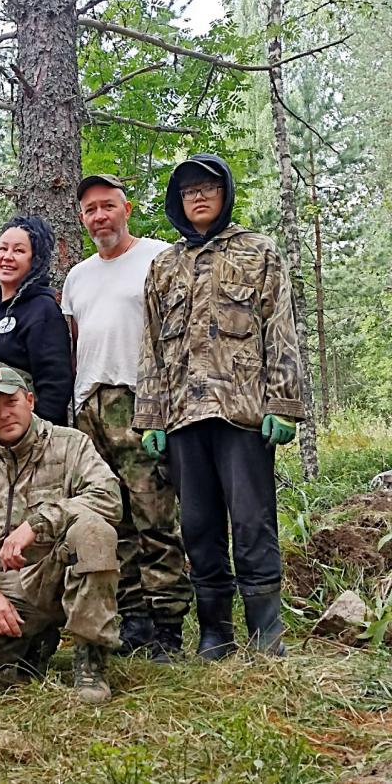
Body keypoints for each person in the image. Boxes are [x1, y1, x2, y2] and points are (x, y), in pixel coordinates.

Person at [133, 153, 304, 658]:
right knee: (198, 527)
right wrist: (151, 416)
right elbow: (151, 347)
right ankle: (215, 632)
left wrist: (284, 402)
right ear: (177, 203)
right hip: (183, 418)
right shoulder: (163, 266)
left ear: (224, 193)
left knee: (253, 522)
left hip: (244, 412)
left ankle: (265, 631)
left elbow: (282, 329)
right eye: (188, 191)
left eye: (208, 187)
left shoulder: (259, 251)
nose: (199, 196)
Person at [0, 367, 122, 705]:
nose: (4, 414)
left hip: (63, 571)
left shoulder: (70, 444)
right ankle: (29, 649)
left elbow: (107, 498)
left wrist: (37, 524)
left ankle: (91, 658)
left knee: (94, 531)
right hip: (12, 586)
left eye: (11, 402)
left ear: (29, 401)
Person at [61, 174, 192, 661]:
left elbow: (178, 332)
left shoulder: (158, 257)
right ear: (83, 218)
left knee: (154, 516)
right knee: (112, 519)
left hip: (140, 399)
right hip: (89, 406)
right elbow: (78, 341)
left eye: (107, 206)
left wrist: (166, 404)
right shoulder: (78, 276)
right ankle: (132, 618)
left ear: (126, 208)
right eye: (90, 210)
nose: (100, 216)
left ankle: (169, 626)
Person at [0, 215, 72, 448]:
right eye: (2, 248)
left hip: (34, 442)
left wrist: (38, 441)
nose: (7, 257)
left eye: (18, 250)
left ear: (34, 260)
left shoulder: (42, 309)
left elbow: (55, 383)